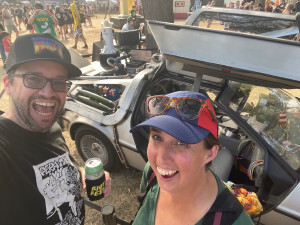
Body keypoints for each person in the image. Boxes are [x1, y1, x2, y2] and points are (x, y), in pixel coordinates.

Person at [0, 33, 111, 224]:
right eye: (34, 79)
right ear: (8, 84)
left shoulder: (51, 129)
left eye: (59, 82)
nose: (49, 92)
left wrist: (80, 174)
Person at [130, 91, 254, 225]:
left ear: (210, 153)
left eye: (181, 143)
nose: (161, 159)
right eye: (157, 137)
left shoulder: (233, 221)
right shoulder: (152, 174)